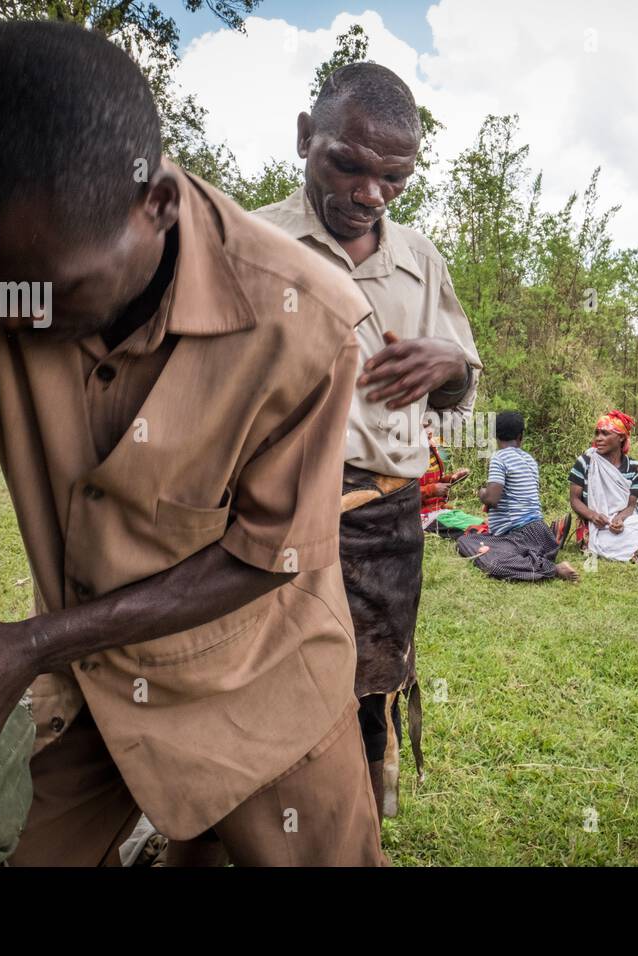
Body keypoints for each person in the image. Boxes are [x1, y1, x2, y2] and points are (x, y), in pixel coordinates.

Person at [0, 21, 386, 867]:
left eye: (54, 293)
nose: (14, 319)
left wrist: (38, 642)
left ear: (158, 206)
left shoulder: (307, 320)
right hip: (82, 692)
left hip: (262, 675)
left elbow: (264, 557)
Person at [254, 62, 483, 820]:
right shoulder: (251, 244)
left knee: (367, 681)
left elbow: (459, 387)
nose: (370, 194)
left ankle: (351, 820)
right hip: (275, 511)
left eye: (394, 177)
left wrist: (447, 364)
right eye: (347, 165)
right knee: (264, 685)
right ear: (303, 139)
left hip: (385, 520)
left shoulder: (419, 259)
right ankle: (236, 822)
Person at [456, 411, 577, 582]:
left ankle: (553, 569)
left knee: (469, 544)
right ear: (521, 437)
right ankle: (548, 543)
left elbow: (492, 499)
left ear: (495, 436)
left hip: (519, 535)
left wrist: (481, 493)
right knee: (486, 539)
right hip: (540, 532)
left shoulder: (500, 458)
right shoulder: (530, 460)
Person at [569, 410, 638, 564]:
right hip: (593, 522)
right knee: (605, 539)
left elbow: (631, 506)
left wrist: (619, 520)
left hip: (623, 520)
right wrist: (593, 516)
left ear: (621, 437)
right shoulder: (586, 461)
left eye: (605, 434)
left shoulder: (635, 468)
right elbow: (574, 500)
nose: (598, 438)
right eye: (597, 433)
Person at [420, 427, 470, 525]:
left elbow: (437, 482)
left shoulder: (432, 451)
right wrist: (431, 490)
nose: (429, 431)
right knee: (473, 528)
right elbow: (401, 495)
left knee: (480, 523)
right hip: (418, 515)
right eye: (424, 427)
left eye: (430, 426)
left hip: (439, 508)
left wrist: (453, 478)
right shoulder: (404, 458)